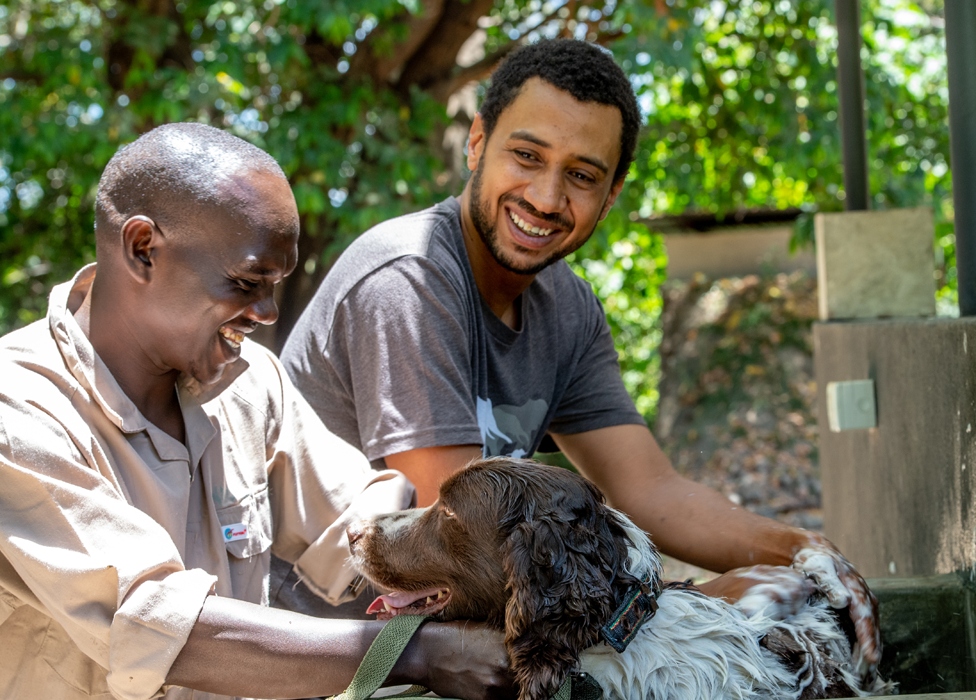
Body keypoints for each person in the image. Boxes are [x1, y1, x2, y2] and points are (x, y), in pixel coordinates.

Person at [281, 39, 882, 684]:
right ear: (477, 142)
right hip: (340, 659)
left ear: (612, 190)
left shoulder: (567, 308)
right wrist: (695, 607)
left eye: (581, 175)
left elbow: (649, 491)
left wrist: (801, 551)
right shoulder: (411, 278)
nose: (545, 197)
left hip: (467, 650)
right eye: (527, 155)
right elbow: (465, 544)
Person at [0, 123, 511, 700]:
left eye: (276, 286)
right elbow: (157, 627)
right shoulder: (18, 414)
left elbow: (358, 527)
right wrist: (410, 653)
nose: (267, 312)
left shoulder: (252, 387)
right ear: (143, 249)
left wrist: (490, 561)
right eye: (247, 282)